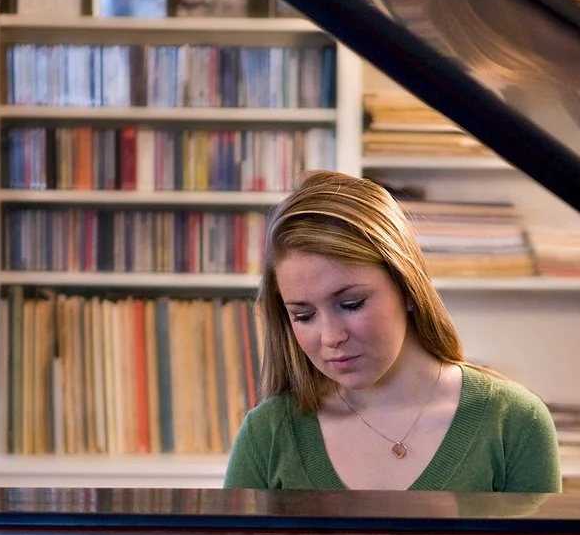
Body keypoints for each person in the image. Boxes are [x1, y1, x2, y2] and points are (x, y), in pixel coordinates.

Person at [224, 172, 561, 493]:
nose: (330, 337)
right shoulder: (266, 434)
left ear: (408, 289)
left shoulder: (515, 423)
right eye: (304, 315)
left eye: (352, 304)